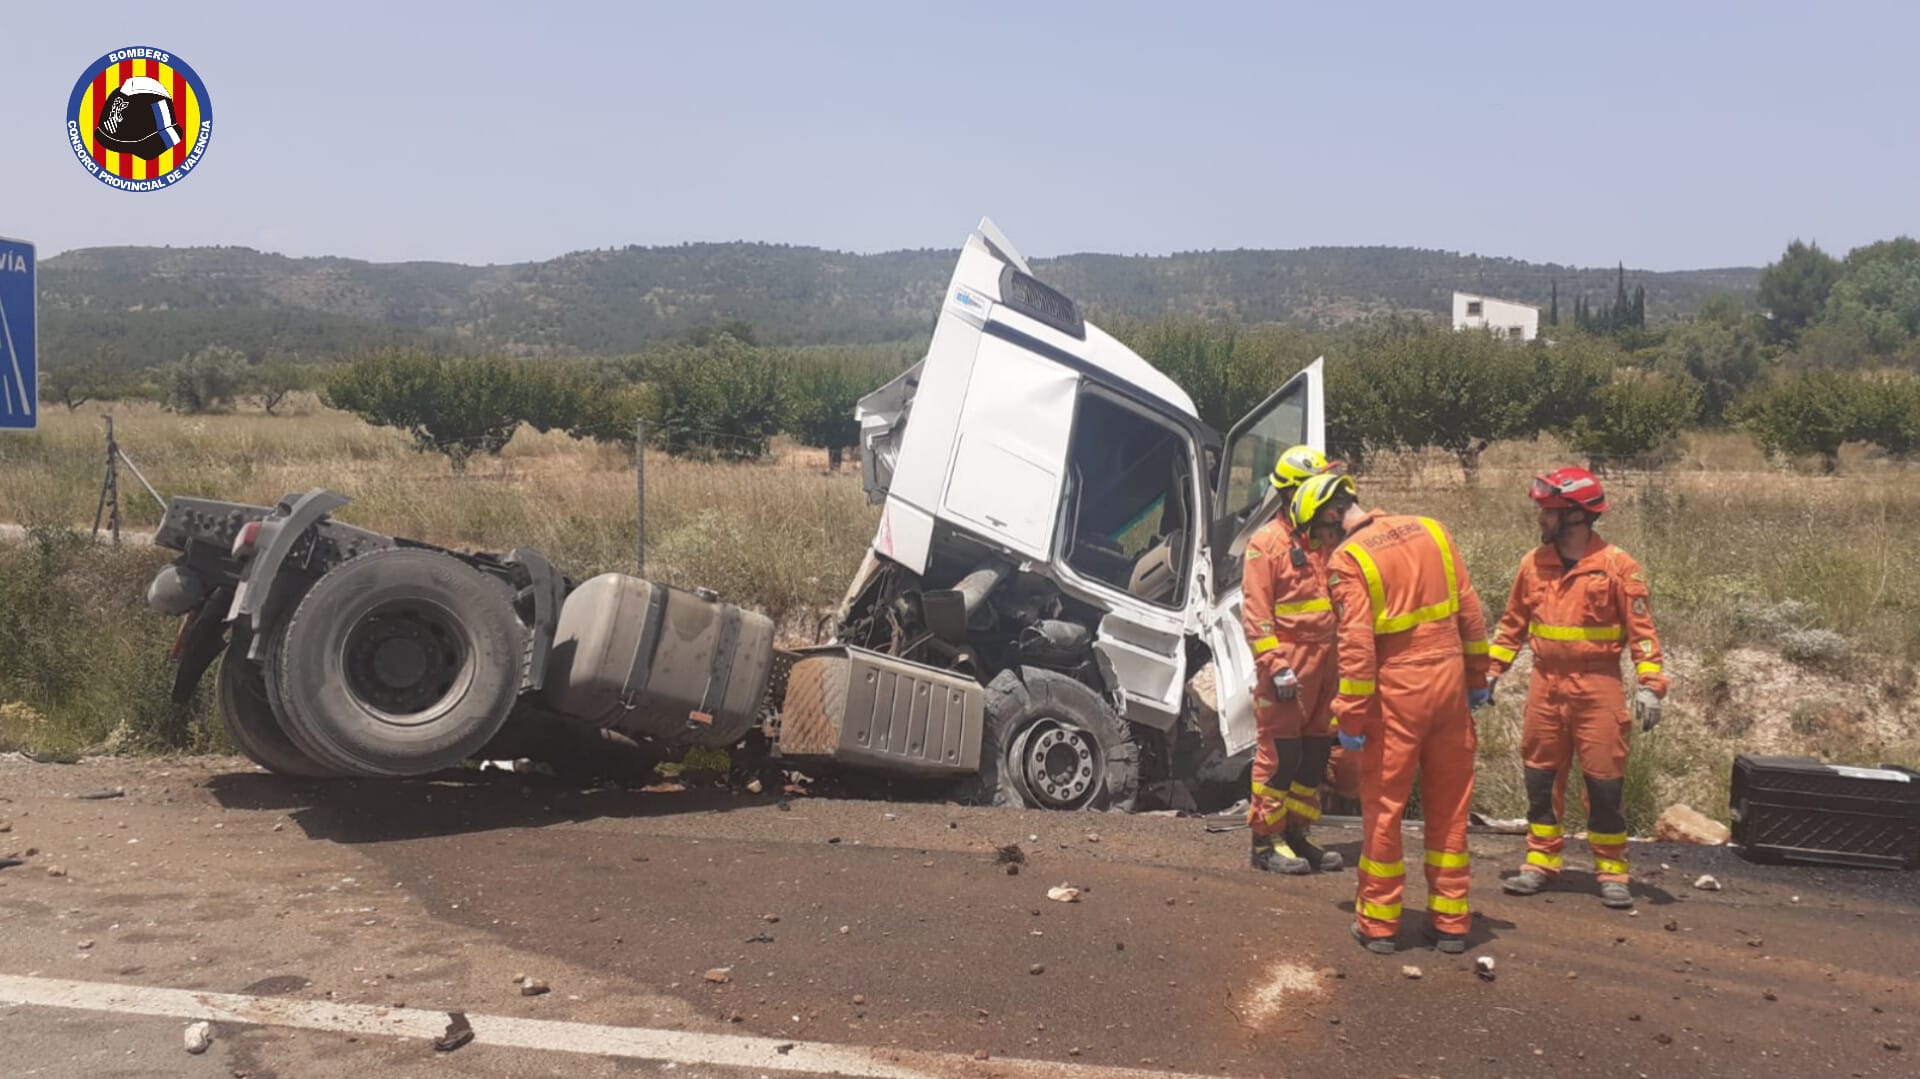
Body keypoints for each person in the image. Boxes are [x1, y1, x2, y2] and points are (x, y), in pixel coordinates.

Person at [1297, 472, 1492, 954]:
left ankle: (1380, 924)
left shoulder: (1350, 560)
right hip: (1448, 686)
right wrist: (1477, 678)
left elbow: (1358, 646)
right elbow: (1469, 611)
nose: (1321, 547)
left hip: (1397, 693)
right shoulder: (1432, 530)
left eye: (1319, 535)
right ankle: (1451, 922)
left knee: (1384, 811)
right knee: (1449, 810)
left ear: (1331, 516)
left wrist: (1352, 718)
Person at [1486, 467, 1668, 910]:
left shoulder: (1618, 567)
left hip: (1598, 686)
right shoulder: (1534, 563)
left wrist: (1651, 685)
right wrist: (1490, 672)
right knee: (1540, 779)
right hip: (1545, 686)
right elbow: (1512, 625)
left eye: (1547, 511)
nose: (1539, 519)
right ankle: (1540, 862)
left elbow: (1642, 633)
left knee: (1605, 784)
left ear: (1574, 516)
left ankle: (1611, 870)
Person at [1240, 446, 1344, 875]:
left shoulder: (1326, 539)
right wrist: (1276, 665)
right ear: (1293, 492)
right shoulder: (1267, 545)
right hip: (1288, 668)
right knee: (1280, 757)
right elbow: (1256, 615)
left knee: (1314, 757)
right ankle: (1266, 841)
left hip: (1327, 666)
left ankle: (1298, 832)